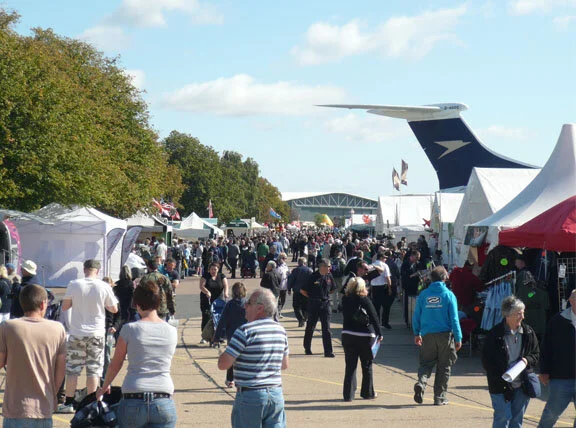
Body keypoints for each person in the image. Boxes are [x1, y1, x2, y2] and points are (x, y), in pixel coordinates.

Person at [96, 280, 178, 428]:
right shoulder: (172, 331)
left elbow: (116, 363)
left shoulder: (130, 329)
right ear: (159, 302)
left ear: (137, 304)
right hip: (163, 396)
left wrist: (105, 386)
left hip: (134, 396)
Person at [217, 288, 289, 428]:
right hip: (275, 393)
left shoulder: (245, 331)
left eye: (249, 303)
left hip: (251, 394)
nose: (245, 306)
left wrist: (222, 353)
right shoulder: (280, 330)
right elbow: (284, 364)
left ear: (260, 308)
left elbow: (223, 364)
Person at [0, 284, 66, 426]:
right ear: (43, 304)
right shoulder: (58, 329)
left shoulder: (8, 327)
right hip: (44, 408)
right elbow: (61, 370)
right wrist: (52, 393)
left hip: (16, 408)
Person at [59, 259, 118, 413]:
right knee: (94, 370)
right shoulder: (104, 286)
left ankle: (69, 402)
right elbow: (114, 309)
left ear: (84, 270)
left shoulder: (74, 284)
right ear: (97, 271)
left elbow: (65, 306)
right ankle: (91, 403)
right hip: (96, 333)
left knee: (73, 370)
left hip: (77, 331)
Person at [481, 295, 539, 428]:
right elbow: (486, 361)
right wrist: (502, 374)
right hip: (500, 385)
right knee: (502, 419)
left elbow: (536, 355)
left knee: (517, 421)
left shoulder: (528, 332)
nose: (522, 317)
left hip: (522, 385)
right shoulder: (495, 334)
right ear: (508, 315)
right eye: (519, 314)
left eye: (523, 313)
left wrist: (526, 360)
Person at [412, 266, 462, 406]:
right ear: (445, 278)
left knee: (426, 363)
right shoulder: (449, 295)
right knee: (444, 367)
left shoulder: (423, 295)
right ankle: (439, 397)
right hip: (445, 336)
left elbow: (416, 316)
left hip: (427, 335)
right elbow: (454, 319)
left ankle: (421, 383)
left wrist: (417, 333)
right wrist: (458, 338)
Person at [537, 289, 576, 428]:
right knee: (551, 414)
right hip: (561, 378)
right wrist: (544, 371)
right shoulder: (558, 320)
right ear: (571, 301)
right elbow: (546, 347)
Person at [341, 277, 382, 401]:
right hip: (365, 335)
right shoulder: (365, 300)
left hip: (348, 334)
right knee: (367, 365)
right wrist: (379, 333)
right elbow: (374, 317)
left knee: (350, 366)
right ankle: (367, 392)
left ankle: (348, 395)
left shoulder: (345, 299)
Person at [213, 282, 248, 388]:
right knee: (245, 357)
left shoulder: (229, 305)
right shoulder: (248, 304)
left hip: (232, 335)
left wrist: (216, 337)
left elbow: (222, 321)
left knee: (231, 357)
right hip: (246, 334)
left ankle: (230, 379)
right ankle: (244, 378)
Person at [301, 259, 336, 357]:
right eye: (328, 266)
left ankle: (328, 351)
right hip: (314, 304)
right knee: (310, 327)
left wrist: (324, 296)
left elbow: (333, 289)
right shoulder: (313, 277)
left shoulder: (329, 276)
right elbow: (303, 290)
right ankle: (307, 348)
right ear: (322, 266)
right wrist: (313, 298)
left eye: (330, 266)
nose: (330, 268)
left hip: (325, 304)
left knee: (326, 328)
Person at [199, 262, 229, 343]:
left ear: (218, 269)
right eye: (211, 269)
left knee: (218, 317)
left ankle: (219, 336)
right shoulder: (206, 276)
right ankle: (205, 336)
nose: (213, 271)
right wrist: (207, 291)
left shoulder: (221, 276)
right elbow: (201, 286)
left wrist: (226, 293)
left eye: (215, 269)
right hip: (207, 299)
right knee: (207, 316)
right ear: (209, 269)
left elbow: (226, 285)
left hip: (218, 300)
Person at [287, 257, 312, 327]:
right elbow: (312, 281)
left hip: (297, 291)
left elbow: (291, 280)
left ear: (298, 263)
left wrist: (289, 288)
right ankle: (304, 318)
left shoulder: (295, 270)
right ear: (305, 263)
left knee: (296, 306)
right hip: (306, 291)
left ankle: (301, 319)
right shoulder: (309, 270)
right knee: (305, 306)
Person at [370, 252, 393, 329]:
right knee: (386, 306)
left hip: (374, 287)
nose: (385, 259)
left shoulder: (372, 265)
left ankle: (376, 323)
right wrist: (390, 288)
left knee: (376, 306)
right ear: (381, 258)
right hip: (383, 287)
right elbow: (388, 278)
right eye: (384, 258)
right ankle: (385, 322)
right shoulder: (385, 265)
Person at [401, 250, 421, 326]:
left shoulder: (417, 263)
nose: (417, 259)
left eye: (418, 258)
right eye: (416, 257)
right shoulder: (406, 263)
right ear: (412, 256)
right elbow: (404, 275)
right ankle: (407, 320)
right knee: (407, 303)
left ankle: (414, 319)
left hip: (415, 286)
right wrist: (413, 275)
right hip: (408, 286)